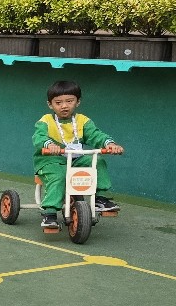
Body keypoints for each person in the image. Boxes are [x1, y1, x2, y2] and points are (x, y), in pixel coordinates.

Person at [34, 79, 124, 231]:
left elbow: (96, 135)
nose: (64, 106)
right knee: (59, 175)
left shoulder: (82, 121)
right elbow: (39, 137)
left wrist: (109, 144)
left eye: (69, 101)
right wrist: (49, 145)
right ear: (50, 104)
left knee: (97, 161)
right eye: (58, 102)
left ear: (78, 102)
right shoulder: (46, 121)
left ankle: (100, 198)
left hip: (76, 159)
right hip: (50, 160)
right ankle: (49, 213)